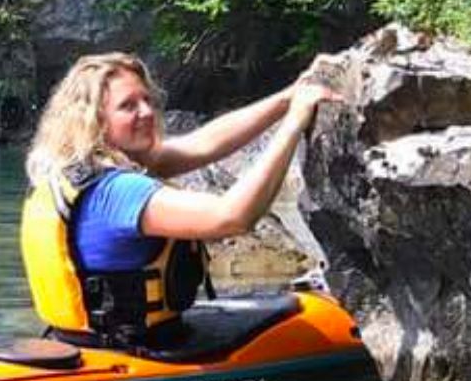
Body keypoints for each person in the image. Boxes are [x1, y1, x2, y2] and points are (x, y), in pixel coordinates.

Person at [20, 52, 338, 348]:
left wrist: (288, 98)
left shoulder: (76, 171)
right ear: (94, 121)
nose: (146, 112)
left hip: (78, 341)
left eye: (146, 100)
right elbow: (232, 217)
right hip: (140, 347)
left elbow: (203, 143)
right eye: (128, 106)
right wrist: (295, 122)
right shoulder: (119, 192)